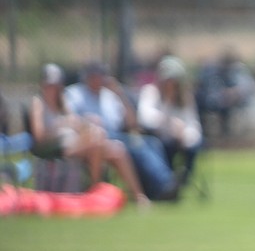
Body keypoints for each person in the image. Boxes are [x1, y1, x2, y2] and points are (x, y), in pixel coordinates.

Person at [29, 62, 149, 204]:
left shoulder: (63, 103)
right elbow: (39, 136)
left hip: (75, 142)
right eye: (49, 85)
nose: (53, 89)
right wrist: (61, 124)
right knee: (96, 141)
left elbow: (75, 122)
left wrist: (86, 122)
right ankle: (94, 191)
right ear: (43, 85)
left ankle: (139, 196)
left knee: (118, 150)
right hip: (57, 146)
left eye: (56, 84)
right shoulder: (38, 103)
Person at [64, 60, 177, 201]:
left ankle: (164, 181)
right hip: (90, 137)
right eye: (94, 75)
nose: (97, 79)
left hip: (115, 135)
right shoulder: (75, 94)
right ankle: (163, 184)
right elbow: (70, 119)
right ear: (87, 77)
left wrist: (119, 93)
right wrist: (87, 121)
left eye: (100, 75)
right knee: (135, 147)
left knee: (152, 143)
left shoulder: (109, 96)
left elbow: (131, 123)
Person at [137, 55, 204, 191]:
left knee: (194, 146)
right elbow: (145, 118)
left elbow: (193, 124)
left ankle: (183, 180)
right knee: (161, 146)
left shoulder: (185, 98)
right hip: (156, 138)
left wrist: (184, 135)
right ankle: (165, 184)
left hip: (180, 139)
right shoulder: (151, 93)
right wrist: (167, 120)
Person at [195, 47, 255, 138]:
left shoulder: (239, 70)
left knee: (225, 105)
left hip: (233, 102)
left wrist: (233, 93)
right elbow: (206, 86)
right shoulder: (214, 70)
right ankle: (203, 131)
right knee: (201, 103)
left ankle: (225, 132)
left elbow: (247, 88)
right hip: (216, 100)